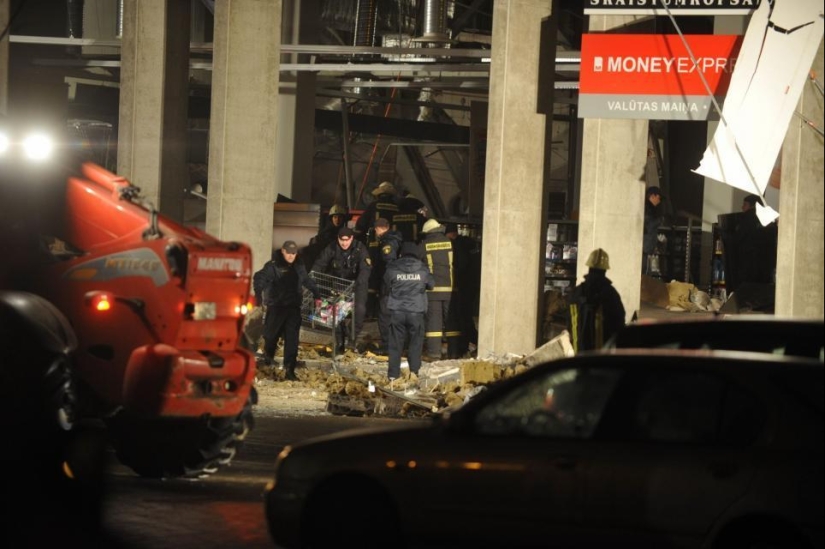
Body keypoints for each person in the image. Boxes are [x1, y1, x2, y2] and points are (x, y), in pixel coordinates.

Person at [253, 241, 321, 380]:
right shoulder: (273, 266)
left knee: (292, 341)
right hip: (276, 307)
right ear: (283, 251)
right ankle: (268, 361)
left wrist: (316, 294)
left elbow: (306, 280)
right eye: (289, 253)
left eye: (293, 253)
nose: (291, 256)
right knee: (271, 338)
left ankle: (289, 370)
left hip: (293, 308)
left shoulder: (299, 265)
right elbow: (259, 277)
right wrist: (258, 294)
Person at [311, 226, 372, 353]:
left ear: (352, 238)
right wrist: (312, 276)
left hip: (357, 285)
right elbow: (320, 263)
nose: (344, 243)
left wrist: (357, 284)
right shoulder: (332, 247)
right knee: (336, 313)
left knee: (359, 311)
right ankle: (339, 341)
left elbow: (365, 270)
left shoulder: (360, 248)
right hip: (339, 285)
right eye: (341, 240)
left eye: (347, 240)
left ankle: (351, 339)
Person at [383, 242, 434, 381]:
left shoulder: (392, 268)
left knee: (395, 345)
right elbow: (431, 285)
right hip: (416, 312)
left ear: (401, 253)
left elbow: (387, 283)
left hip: (397, 311)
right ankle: (414, 373)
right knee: (416, 344)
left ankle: (393, 375)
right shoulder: (423, 269)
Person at [355, 181, 400, 319]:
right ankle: (385, 313)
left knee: (372, 280)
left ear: (379, 194)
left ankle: (370, 312)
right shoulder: (397, 208)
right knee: (387, 280)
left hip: (374, 249)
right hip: (392, 249)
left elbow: (360, 226)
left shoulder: (373, 206)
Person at [567, 248, 626, 353]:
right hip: (599, 360)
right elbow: (619, 325)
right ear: (605, 270)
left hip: (578, 356)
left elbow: (568, 324)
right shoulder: (611, 295)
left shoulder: (575, 294)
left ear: (589, 267)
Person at [420, 218, 462, 359]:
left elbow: (418, 265)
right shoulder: (451, 243)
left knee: (434, 322)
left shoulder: (424, 245)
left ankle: (434, 353)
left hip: (433, 291)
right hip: (451, 290)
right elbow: (460, 263)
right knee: (452, 321)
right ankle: (454, 352)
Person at [721, 194, 778, 294]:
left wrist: (725, 236)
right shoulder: (770, 219)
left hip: (747, 264)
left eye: (745, 204)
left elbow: (737, 239)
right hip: (765, 266)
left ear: (752, 205)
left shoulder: (745, 219)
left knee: (747, 293)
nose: (742, 207)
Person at [444, 223, 481, 355]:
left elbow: (461, 265)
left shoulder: (458, 245)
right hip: (473, 284)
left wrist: (456, 279)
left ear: (451, 234)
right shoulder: (469, 243)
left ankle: (465, 344)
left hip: (464, 285)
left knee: (462, 316)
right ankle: (472, 342)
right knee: (466, 316)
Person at [373, 217, 404, 354]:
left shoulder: (388, 243)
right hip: (396, 284)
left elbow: (389, 264)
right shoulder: (395, 239)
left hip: (389, 286)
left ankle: (388, 346)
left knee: (385, 315)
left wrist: (386, 285)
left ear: (378, 229)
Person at [304, 204, 348, 268]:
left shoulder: (345, 233)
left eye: (340, 217)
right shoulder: (327, 231)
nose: (337, 220)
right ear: (331, 218)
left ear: (343, 219)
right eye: (335, 217)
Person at [643, 186, 663, 275]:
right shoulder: (647, 210)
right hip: (644, 248)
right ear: (652, 196)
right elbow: (649, 226)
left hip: (646, 248)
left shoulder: (650, 210)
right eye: (658, 198)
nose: (659, 201)